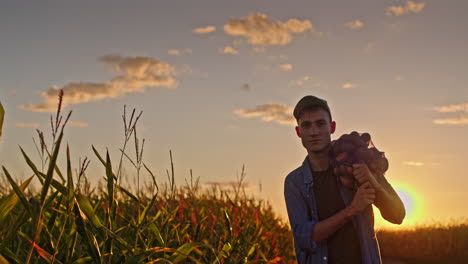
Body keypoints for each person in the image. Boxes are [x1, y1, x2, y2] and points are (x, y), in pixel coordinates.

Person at [284, 95, 405, 264]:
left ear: (332, 127)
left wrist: (373, 182)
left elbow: (397, 215)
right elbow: (305, 238)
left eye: (320, 123)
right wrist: (352, 209)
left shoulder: (357, 160)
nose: (314, 132)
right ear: (298, 132)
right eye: (306, 125)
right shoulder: (294, 182)